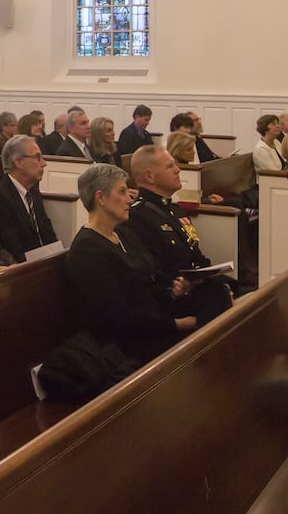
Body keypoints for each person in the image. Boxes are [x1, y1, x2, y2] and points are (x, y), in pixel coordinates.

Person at [65, 163, 196, 364]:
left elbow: (148, 280)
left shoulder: (123, 233)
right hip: (125, 342)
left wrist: (173, 289)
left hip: (151, 322)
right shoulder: (87, 249)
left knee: (215, 299)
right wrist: (175, 324)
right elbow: (117, 315)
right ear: (100, 198)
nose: (129, 199)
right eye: (122, 192)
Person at [121, 145, 233, 322]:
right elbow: (149, 270)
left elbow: (195, 254)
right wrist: (179, 285)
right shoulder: (138, 217)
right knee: (218, 296)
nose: (178, 169)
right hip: (170, 296)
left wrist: (209, 274)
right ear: (150, 176)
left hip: (192, 285)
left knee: (233, 285)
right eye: (170, 166)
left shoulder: (175, 210)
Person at [0, 135, 58, 260]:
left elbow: (46, 232)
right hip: (21, 270)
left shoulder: (32, 188)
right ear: (18, 162)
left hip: (41, 263)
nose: (44, 163)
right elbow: (11, 248)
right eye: (37, 158)